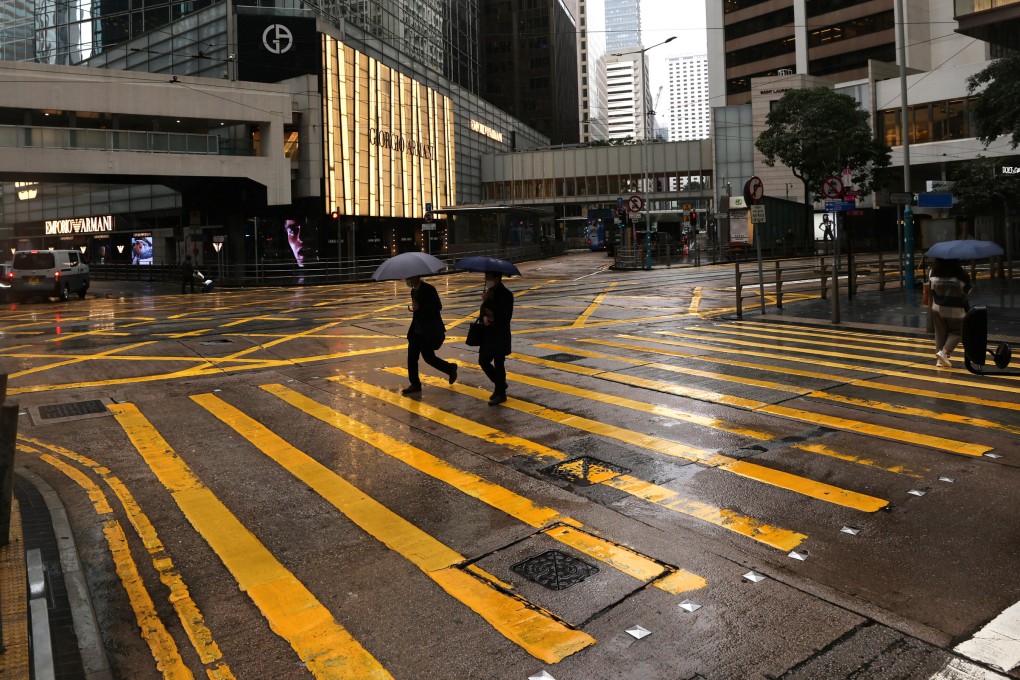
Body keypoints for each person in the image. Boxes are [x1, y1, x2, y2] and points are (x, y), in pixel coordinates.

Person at [402, 275, 457, 395]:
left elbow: (437, 306)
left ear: (416, 277)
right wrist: (415, 309)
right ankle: (415, 384)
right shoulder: (413, 291)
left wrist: (420, 307)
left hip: (427, 331)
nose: (407, 280)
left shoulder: (429, 289)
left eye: (409, 278)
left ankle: (450, 368)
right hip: (416, 331)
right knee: (412, 357)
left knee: (429, 358)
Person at [478, 271, 514, 405]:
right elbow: (482, 312)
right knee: (483, 361)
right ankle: (500, 385)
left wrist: (488, 301)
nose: (487, 280)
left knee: (499, 363)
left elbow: (504, 315)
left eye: (489, 278)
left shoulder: (506, 295)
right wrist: (484, 314)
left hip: (500, 334)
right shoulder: (489, 292)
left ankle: (501, 393)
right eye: (486, 277)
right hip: (488, 335)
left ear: (498, 279)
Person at [928, 258, 972, 368]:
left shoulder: (932, 271)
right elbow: (968, 291)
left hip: (937, 307)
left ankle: (940, 360)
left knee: (940, 333)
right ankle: (944, 353)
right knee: (959, 331)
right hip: (955, 309)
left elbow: (930, 289)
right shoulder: (959, 273)